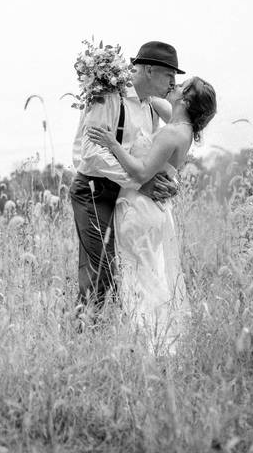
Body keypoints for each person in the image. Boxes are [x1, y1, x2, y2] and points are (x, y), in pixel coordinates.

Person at [87, 76, 217, 351]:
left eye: (181, 86)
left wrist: (113, 143)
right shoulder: (183, 126)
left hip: (140, 207)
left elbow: (141, 172)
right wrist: (120, 76)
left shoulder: (172, 132)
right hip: (154, 211)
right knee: (148, 273)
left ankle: (152, 345)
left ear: (187, 100)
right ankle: (157, 342)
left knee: (139, 277)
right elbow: (148, 96)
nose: (174, 86)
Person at [69, 41, 183, 314]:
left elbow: (170, 141)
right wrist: (141, 182)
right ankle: (87, 336)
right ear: (148, 71)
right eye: (169, 75)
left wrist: (169, 182)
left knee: (126, 269)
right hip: (94, 193)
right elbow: (90, 152)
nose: (172, 82)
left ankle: (115, 335)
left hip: (126, 197)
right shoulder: (109, 96)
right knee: (101, 272)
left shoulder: (151, 107)